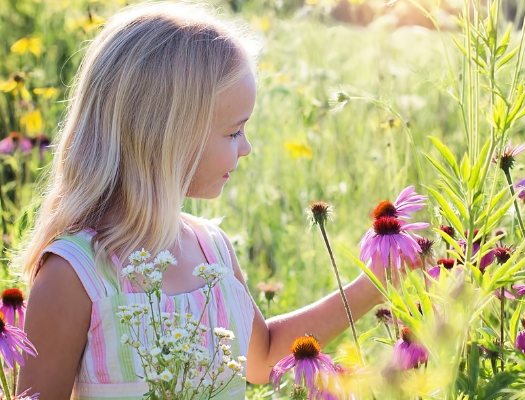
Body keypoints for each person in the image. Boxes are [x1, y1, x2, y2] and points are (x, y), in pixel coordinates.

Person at [16, 2, 383, 399]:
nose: (246, 148)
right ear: (165, 137)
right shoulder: (76, 275)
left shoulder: (214, 252)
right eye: (232, 132)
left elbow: (263, 358)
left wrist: (374, 283)